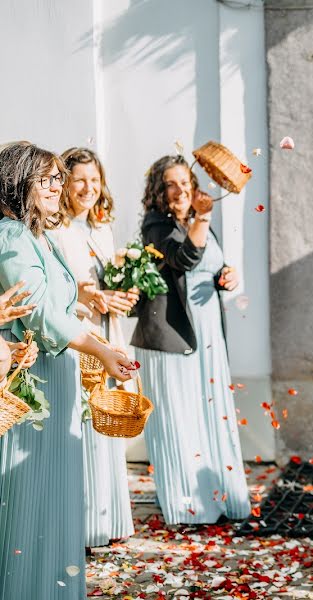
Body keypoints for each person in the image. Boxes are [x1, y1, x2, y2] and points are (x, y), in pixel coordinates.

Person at [0, 142, 136, 600]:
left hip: (57, 374)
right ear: (19, 183)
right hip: (32, 378)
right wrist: (98, 348)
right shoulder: (11, 235)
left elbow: (58, 301)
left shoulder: (36, 234)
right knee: (33, 493)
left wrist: (88, 311)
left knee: (55, 490)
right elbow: (39, 312)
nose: (58, 186)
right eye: (48, 179)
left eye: (59, 177)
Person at [131, 155, 249, 525]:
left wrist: (226, 276)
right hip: (172, 334)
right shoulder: (155, 225)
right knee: (179, 415)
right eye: (171, 184)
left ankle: (221, 495)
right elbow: (183, 260)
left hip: (208, 330)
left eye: (186, 182)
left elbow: (207, 268)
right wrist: (203, 216)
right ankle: (189, 505)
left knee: (208, 410)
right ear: (159, 191)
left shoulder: (195, 221)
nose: (181, 190)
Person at [53, 147, 137, 548]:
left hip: (108, 334)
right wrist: (89, 297)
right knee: (83, 422)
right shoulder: (56, 229)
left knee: (106, 422)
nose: (89, 188)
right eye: (80, 179)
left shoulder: (102, 228)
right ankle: (84, 526)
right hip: (78, 340)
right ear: (65, 183)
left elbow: (106, 285)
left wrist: (121, 295)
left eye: (95, 179)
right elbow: (60, 293)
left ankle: (109, 518)